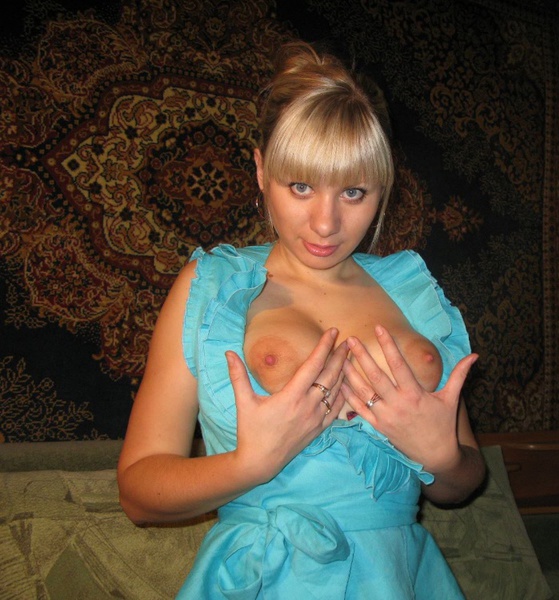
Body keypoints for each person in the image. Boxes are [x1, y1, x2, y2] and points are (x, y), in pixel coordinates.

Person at [117, 40, 486, 599]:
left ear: (383, 188)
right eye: (301, 187)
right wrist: (249, 464)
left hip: (400, 580)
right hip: (265, 579)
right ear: (261, 170)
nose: (326, 223)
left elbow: (461, 483)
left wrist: (444, 459)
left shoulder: (413, 293)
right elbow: (138, 493)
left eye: (354, 192)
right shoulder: (210, 288)